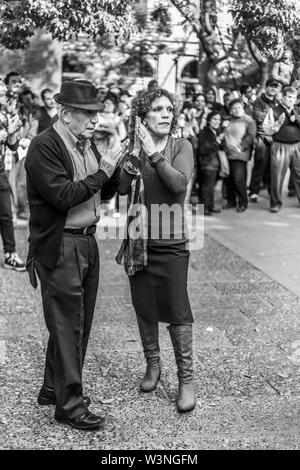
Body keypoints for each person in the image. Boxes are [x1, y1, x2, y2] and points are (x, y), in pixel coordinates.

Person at [25, 80, 122, 431]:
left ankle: (53, 388)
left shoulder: (85, 143)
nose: (95, 120)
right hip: (61, 243)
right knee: (68, 325)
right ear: (65, 114)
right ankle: (69, 404)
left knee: (76, 322)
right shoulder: (44, 145)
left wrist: (116, 170)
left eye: (97, 113)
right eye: (87, 114)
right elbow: (64, 195)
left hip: (86, 241)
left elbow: (100, 192)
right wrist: (103, 171)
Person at [116, 88, 196, 412]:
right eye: (157, 109)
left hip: (172, 242)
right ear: (142, 118)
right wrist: (133, 153)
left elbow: (178, 184)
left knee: (177, 311)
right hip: (139, 239)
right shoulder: (135, 149)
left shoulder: (181, 146)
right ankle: (153, 364)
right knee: (144, 305)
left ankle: (186, 379)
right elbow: (121, 188)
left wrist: (153, 154)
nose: (166, 114)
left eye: (169, 109)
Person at [0, 79, 26, 271]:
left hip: (0, 169)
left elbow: (13, 146)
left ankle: (10, 254)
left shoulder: (3, 115)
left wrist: (12, 131)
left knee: (6, 214)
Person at [248, 78, 283, 203]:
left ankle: (269, 188)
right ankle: (254, 191)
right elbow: (256, 116)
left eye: (276, 87)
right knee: (260, 163)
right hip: (262, 137)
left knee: (272, 165)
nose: (273, 89)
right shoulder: (259, 101)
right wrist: (269, 114)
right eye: (271, 86)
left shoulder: (278, 102)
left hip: (275, 138)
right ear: (266, 87)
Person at [270, 86, 300, 212]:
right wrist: (278, 123)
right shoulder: (274, 110)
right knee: (277, 177)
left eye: (293, 97)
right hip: (280, 146)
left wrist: (297, 119)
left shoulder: (298, 110)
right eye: (288, 97)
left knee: (299, 175)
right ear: (282, 97)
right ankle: (276, 203)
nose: (291, 100)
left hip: (297, 146)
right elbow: (267, 129)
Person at [223, 99, 256, 212]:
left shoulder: (248, 120)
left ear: (243, 108)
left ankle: (243, 202)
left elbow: (250, 137)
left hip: (239, 154)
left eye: (239, 108)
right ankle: (231, 201)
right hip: (227, 153)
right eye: (233, 108)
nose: (236, 110)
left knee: (238, 179)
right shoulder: (227, 120)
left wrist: (241, 147)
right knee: (228, 179)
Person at [197, 111, 223, 215]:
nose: (217, 121)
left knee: (211, 186)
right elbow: (203, 149)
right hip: (208, 164)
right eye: (214, 119)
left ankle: (210, 206)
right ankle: (203, 208)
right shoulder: (205, 132)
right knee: (206, 187)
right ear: (209, 120)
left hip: (214, 163)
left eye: (219, 119)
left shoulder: (215, 131)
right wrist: (216, 141)